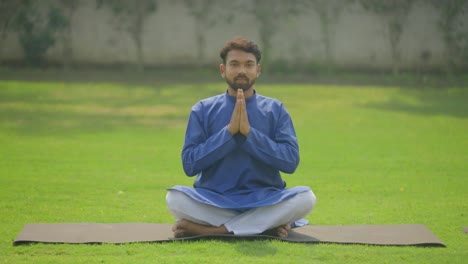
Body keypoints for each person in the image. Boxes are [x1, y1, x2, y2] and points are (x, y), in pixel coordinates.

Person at [166, 37, 316, 238]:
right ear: (223, 70)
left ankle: (217, 230)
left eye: (248, 65)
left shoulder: (275, 109)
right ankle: (263, 225)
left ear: (258, 70)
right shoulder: (202, 109)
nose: (242, 71)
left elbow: (290, 162)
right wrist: (228, 133)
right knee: (174, 198)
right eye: (234, 64)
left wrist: (250, 135)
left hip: (265, 199)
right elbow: (189, 165)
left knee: (307, 198)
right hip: (214, 199)